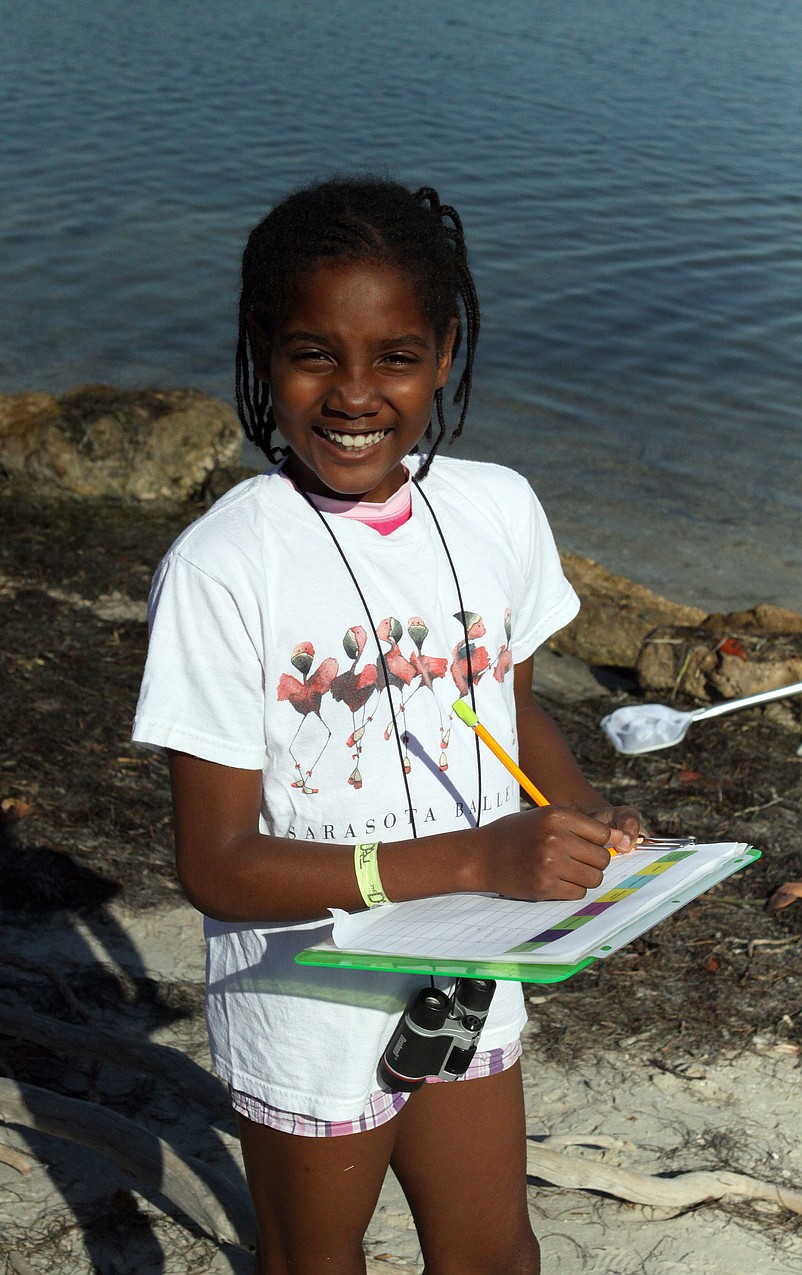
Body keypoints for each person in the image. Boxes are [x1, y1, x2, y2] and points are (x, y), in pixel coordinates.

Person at [133, 177, 641, 1274]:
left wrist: (582, 815)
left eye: (395, 357)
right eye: (314, 353)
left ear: (446, 355)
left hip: (470, 964)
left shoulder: (496, 508)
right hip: (307, 996)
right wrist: (480, 852)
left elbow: (503, 696)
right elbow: (216, 866)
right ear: (264, 350)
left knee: (496, 1254)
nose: (354, 393)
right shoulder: (224, 569)